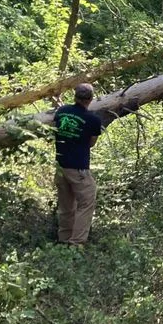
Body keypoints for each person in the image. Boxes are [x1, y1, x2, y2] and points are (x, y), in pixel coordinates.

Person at [53, 83, 102, 245]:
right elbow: (91, 143)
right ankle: (76, 243)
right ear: (90, 99)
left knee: (66, 204)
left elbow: (56, 130)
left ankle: (64, 239)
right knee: (86, 202)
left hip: (60, 166)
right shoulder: (93, 120)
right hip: (78, 168)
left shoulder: (62, 111)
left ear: (74, 97)